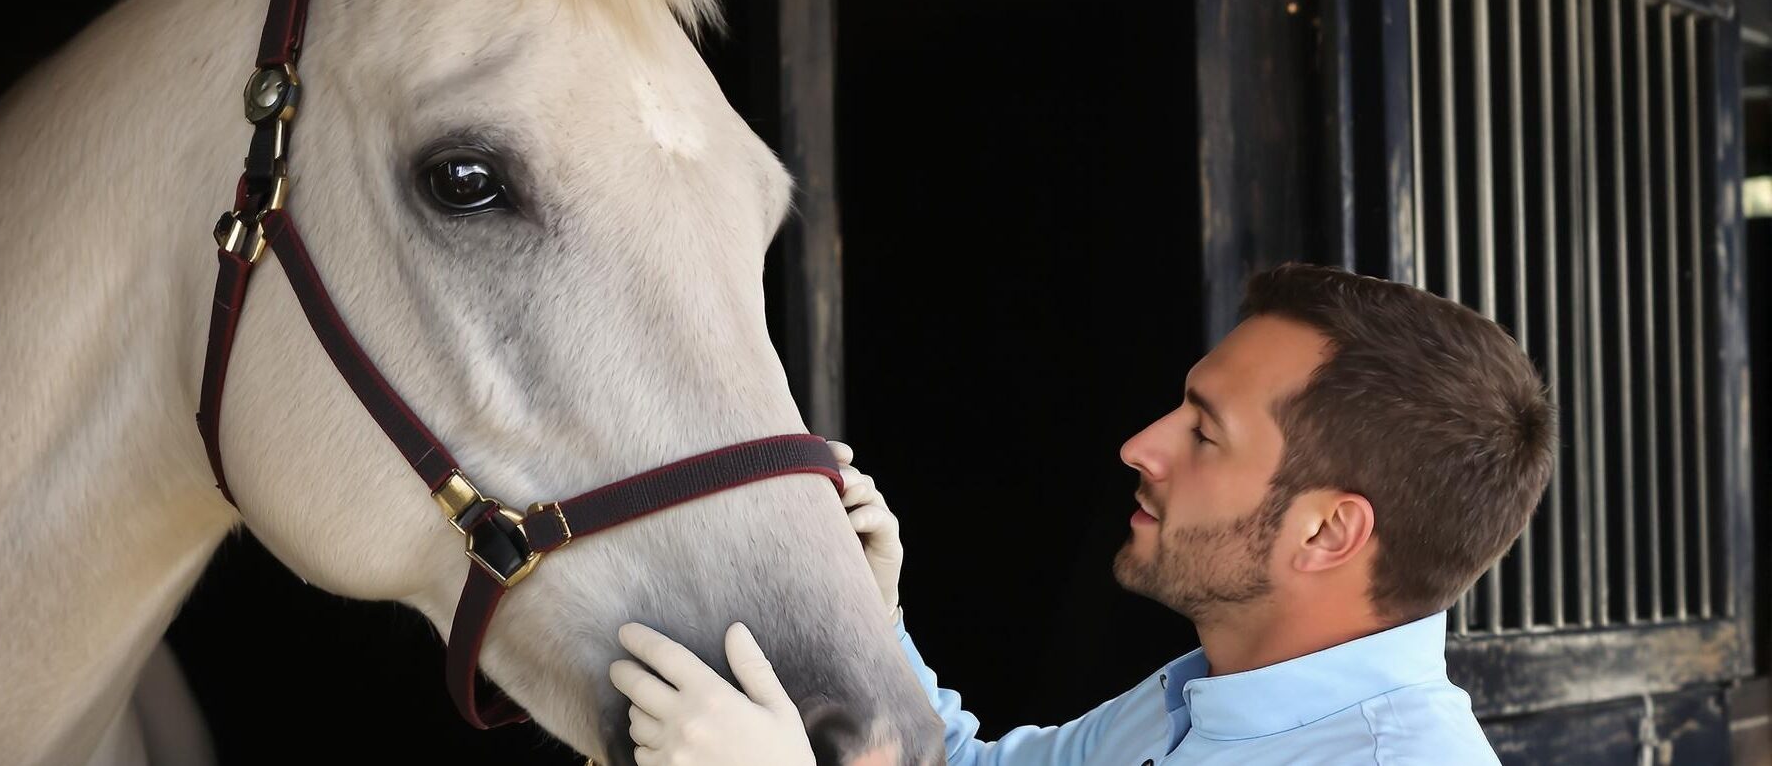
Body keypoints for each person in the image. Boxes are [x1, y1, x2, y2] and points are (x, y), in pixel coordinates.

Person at [608, 263, 1555, 764]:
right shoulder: (1196, 701)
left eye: (1204, 433)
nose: (1141, 445)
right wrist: (877, 618)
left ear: (1325, 531)